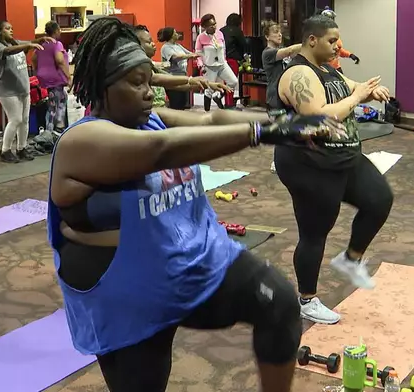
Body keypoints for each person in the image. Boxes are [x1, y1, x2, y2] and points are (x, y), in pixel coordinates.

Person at [48, 17, 345, 392]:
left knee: (279, 303)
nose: (148, 93)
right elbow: (160, 151)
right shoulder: (83, 139)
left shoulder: (150, 119)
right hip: (125, 292)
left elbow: (209, 118)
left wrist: (286, 119)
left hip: (182, 261)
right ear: (101, 87)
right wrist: (266, 132)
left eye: (149, 81)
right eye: (136, 83)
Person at [274, 15, 393, 325]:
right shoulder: (298, 73)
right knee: (315, 233)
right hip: (309, 165)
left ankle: (351, 258)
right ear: (312, 40)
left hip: (344, 158)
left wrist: (369, 90)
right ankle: (307, 299)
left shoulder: (327, 69)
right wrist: (356, 97)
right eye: (332, 41)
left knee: (380, 199)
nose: (338, 47)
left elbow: (350, 86)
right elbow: (317, 118)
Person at [0, 20, 54, 163]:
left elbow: (29, 42)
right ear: (0, 32)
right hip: (8, 91)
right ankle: (5, 150)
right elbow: (9, 51)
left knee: (24, 120)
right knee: (15, 119)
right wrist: (28, 45)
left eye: (11, 28)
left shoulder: (15, 43)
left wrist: (41, 39)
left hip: (23, 88)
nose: (11, 30)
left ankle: (21, 148)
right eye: (7, 28)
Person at [134, 25, 231, 108]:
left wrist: (209, 84)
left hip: (161, 106)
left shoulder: (155, 66)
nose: (153, 44)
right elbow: (174, 61)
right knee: (177, 106)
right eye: (148, 42)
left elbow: (179, 85)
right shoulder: (164, 49)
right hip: (154, 111)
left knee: (182, 105)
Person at [261, 20, 301, 173]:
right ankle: (277, 163)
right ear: (267, 36)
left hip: (287, 97)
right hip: (275, 99)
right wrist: (310, 41)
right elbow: (291, 50)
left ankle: (290, 160)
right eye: (275, 32)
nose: (279, 34)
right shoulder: (268, 53)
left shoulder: (281, 51)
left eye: (280, 31)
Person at [195, 14, 239, 111]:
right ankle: (207, 112)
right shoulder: (201, 37)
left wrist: (224, 59)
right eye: (211, 25)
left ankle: (218, 96)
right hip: (210, 66)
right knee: (208, 90)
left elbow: (224, 48)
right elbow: (198, 53)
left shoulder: (220, 34)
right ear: (205, 27)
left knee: (233, 81)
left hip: (222, 64)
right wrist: (201, 65)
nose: (214, 26)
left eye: (215, 24)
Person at [32, 21, 70, 133]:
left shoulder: (42, 44)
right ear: (56, 31)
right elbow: (59, 60)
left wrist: (38, 72)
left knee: (57, 100)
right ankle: (55, 131)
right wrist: (69, 77)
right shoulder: (57, 44)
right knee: (56, 105)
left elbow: (33, 59)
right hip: (56, 79)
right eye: (59, 30)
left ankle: (53, 130)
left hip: (45, 79)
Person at [157, 27, 199, 110]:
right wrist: (189, 56)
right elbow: (175, 57)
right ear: (171, 35)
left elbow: (190, 53)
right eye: (175, 33)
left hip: (182, 76)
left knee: (183, 102)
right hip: (172, 78)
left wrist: (198, 54)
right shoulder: (166, 47)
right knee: (176, 103)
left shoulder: (178, 45)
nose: (177, 34)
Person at [321, 7, 359, 74]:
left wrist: (350, 55)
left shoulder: (334, 32)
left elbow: (338, 49)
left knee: (343, 83)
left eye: (332, 18)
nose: (330, 21)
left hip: (336, 67)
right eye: (328, 19)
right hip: (325, 68)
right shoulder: (320, 34)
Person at [220, 13, 247, 107]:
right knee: (231, 82)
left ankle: (222, 97)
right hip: (232, 59)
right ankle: (229, 104)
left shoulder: (221, 31)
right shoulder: (237, 31)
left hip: (222, 59)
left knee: (226, 82)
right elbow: (243, 44)